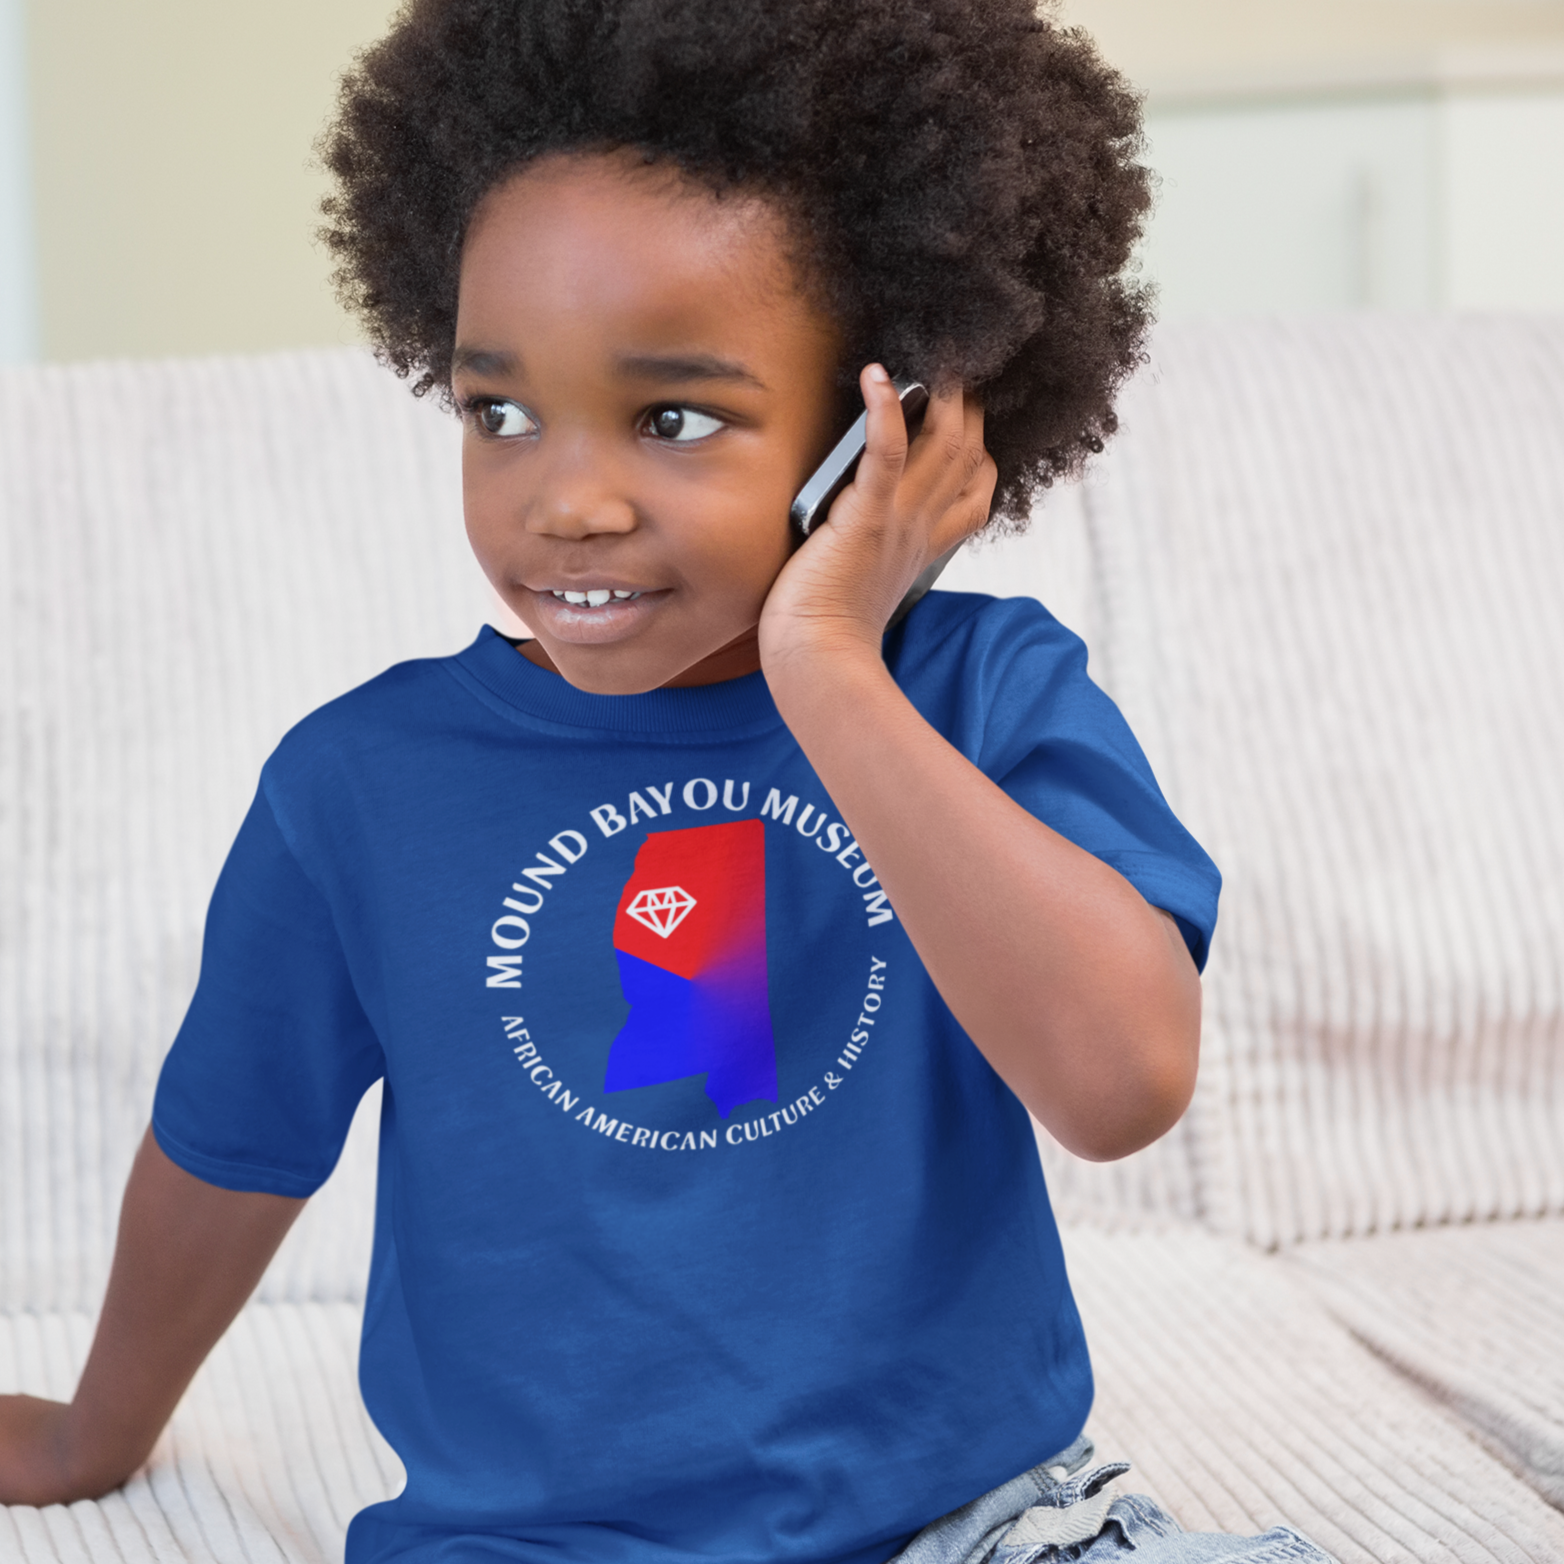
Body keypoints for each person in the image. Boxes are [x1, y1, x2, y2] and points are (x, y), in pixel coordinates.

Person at [0, 2, 1333, 1562]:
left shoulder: (979, 697)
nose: (564, 500)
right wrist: (102, 1426)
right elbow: (232, 1142)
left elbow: (1119, 1086)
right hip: (532, 1542)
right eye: (501, 410)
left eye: (675, 417)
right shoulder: (360, 787)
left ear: (879, 429)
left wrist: (827, 663)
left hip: (979, 1522)